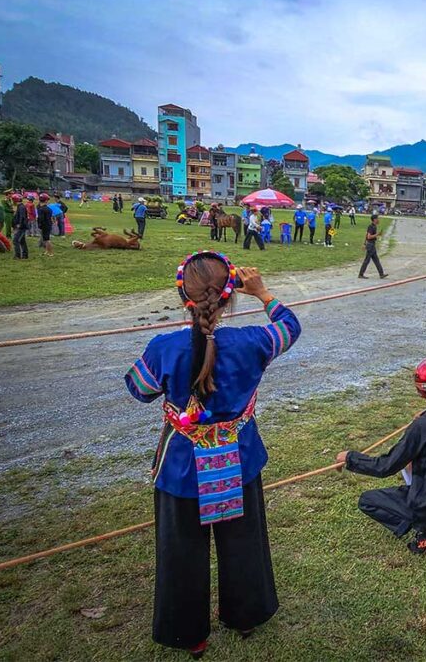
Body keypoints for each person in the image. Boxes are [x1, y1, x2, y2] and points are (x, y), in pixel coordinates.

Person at [124, 255, 300, 657]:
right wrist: (262, 292)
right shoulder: (253, 341)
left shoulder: (164, 348)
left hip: (182, 467)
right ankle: (247, 615)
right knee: (243, 541)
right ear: (229, 297)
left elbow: (139, 389)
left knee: (181, 550)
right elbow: (290, 327)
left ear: (182, 296)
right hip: (239, 460)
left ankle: (190, 634)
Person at [336, 357, 426, 555]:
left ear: (420, 391)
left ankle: (423, 529)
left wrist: (350, 458)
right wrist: (422, 421)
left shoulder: (421, 427)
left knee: (367, 500)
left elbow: (385, 466)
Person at [358, 213, 387, 279]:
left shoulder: (373, 226)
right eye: (378, 218)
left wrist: (364, 243)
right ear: (374, 220)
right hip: (370, 246)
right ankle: (360, 274)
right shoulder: (371, 227)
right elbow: (369, 236)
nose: (379, 220)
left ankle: (381, 274)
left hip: (372, 245)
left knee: (376, 260)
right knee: (367, 260)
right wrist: (377, 234)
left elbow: (366, 235)